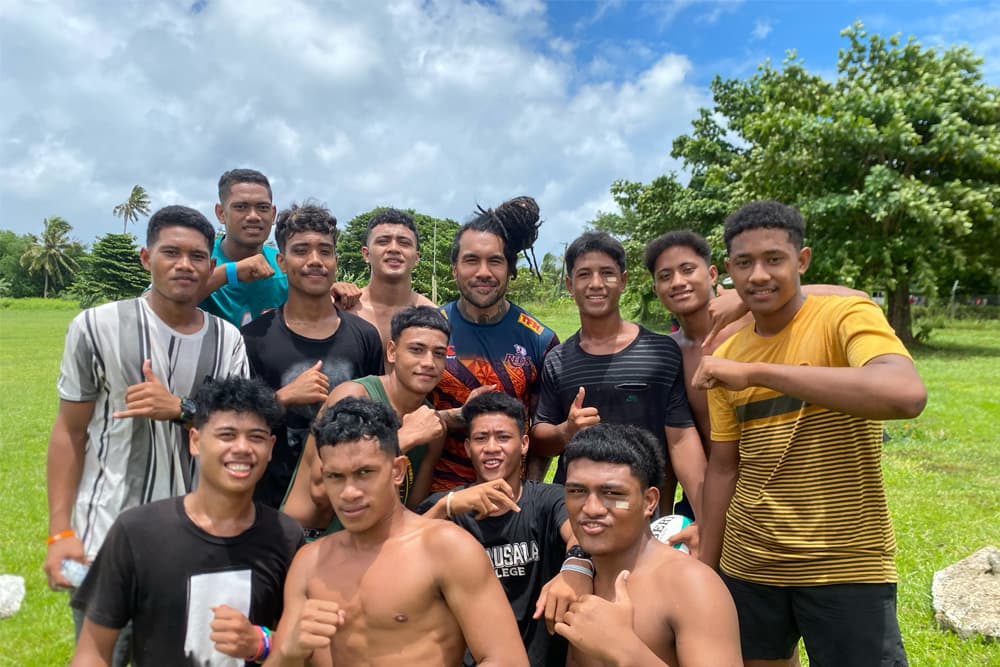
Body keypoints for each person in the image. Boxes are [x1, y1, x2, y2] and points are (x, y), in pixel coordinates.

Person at [695, 200, 927, 666]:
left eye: (774, 259)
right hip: (751, 559)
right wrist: (705, 569)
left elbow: (905, 394)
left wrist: (758, 372)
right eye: (745, 263)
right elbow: (724, 468)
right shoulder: (727, 354)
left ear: (802, 261)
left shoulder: (843, 317)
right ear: (728, 274)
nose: (758, 275)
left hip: (846, 561)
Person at [44, 205, 249, 664]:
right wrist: (60, 534)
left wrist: (177, 408)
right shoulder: (95, 327)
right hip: (104, 535)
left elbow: (238, 429)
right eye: (171, 252)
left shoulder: (228, 339)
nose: (184, 265)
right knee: (101, 653)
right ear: (145, 257)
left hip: (197, 539)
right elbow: (69, 433)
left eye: (197, 256)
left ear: (211, 266)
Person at [267, 397, 528, 666]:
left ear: (397, 471)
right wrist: (289, 653)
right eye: (336, 476)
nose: (349, 493)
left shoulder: (446, 549)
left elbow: (507, 659)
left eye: (365, 473)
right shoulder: (309, 562)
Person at [70, 376, 303, 666]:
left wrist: (261, 643)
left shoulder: (286, 537)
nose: (242, 448)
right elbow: (92, 652)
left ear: (270, 447)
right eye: (226, 435)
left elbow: (297, 643)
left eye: (255, 437)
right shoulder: (137, 531)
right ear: (195, 441)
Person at [531, 231, 705, 518]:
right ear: (570, 285)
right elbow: (540, 436)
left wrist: (704, 519)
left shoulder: (661, 352)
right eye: (585, 274)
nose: (596, 284)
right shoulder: (558, 360)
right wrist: (567, 431)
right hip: (578, 519)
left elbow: (681, 439)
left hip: (646, 516)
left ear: (623, 281)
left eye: (607, 273)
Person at [554, 423, 742, 667]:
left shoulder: (690, 584)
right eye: (577, 491)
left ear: (649, 501)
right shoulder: (571, 579)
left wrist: (626, 652)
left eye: (612, 494)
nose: (591, 509)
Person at [419, 392, 581, 666]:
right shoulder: (443, 507)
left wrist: (574, 569)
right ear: (468, 447)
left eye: (503, 437)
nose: (491, 447)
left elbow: (578, 532)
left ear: (524, 444)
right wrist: (447, 505)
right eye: (481, 438)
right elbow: (403, 552)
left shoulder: (548, 500)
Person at [241, 201, 383, 509]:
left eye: (325, 250)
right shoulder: (254, 339)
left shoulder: (366, 336)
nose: (314, 260)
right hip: (274, 507)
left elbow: (381, 420)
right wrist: (283, 397)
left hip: (350, 505)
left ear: (335, 260)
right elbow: (237, 424)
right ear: (281, 261)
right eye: (301, 250)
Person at [283, 305, 450, 533]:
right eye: (417, 350)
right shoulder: (354, 396)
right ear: (392, 352)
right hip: (309, 541)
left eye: (439, 353)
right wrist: (404, 438)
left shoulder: (432, 427)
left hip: (370, 546)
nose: (429, 362)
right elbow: (322, 492)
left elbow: (411, 510)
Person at [432, 196, 559, 492]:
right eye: (471, 260)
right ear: (454, 269)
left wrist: (528, 495)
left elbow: (540, 436)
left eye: (495, 261)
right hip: (439, 500)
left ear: (511, 270)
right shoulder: (427, 332)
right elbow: (402, 421)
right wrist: (458, 417)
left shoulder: (540, 339)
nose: (483, 273)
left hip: (511, 501)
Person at [199, 168, 359, 327]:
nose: (253, 216)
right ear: (220, 213)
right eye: (241, 207)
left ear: (273, 213)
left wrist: (335, 291)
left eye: (263, 208)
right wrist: (230, 273)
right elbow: (177, 300)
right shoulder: (197, 260)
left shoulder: (288, 265)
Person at [346, 208, 436, 365]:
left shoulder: (432, 315)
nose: (394, 249)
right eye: (383, 241)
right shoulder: (345, 308)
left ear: (416, 258)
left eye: (404, 243)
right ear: (366, 254)